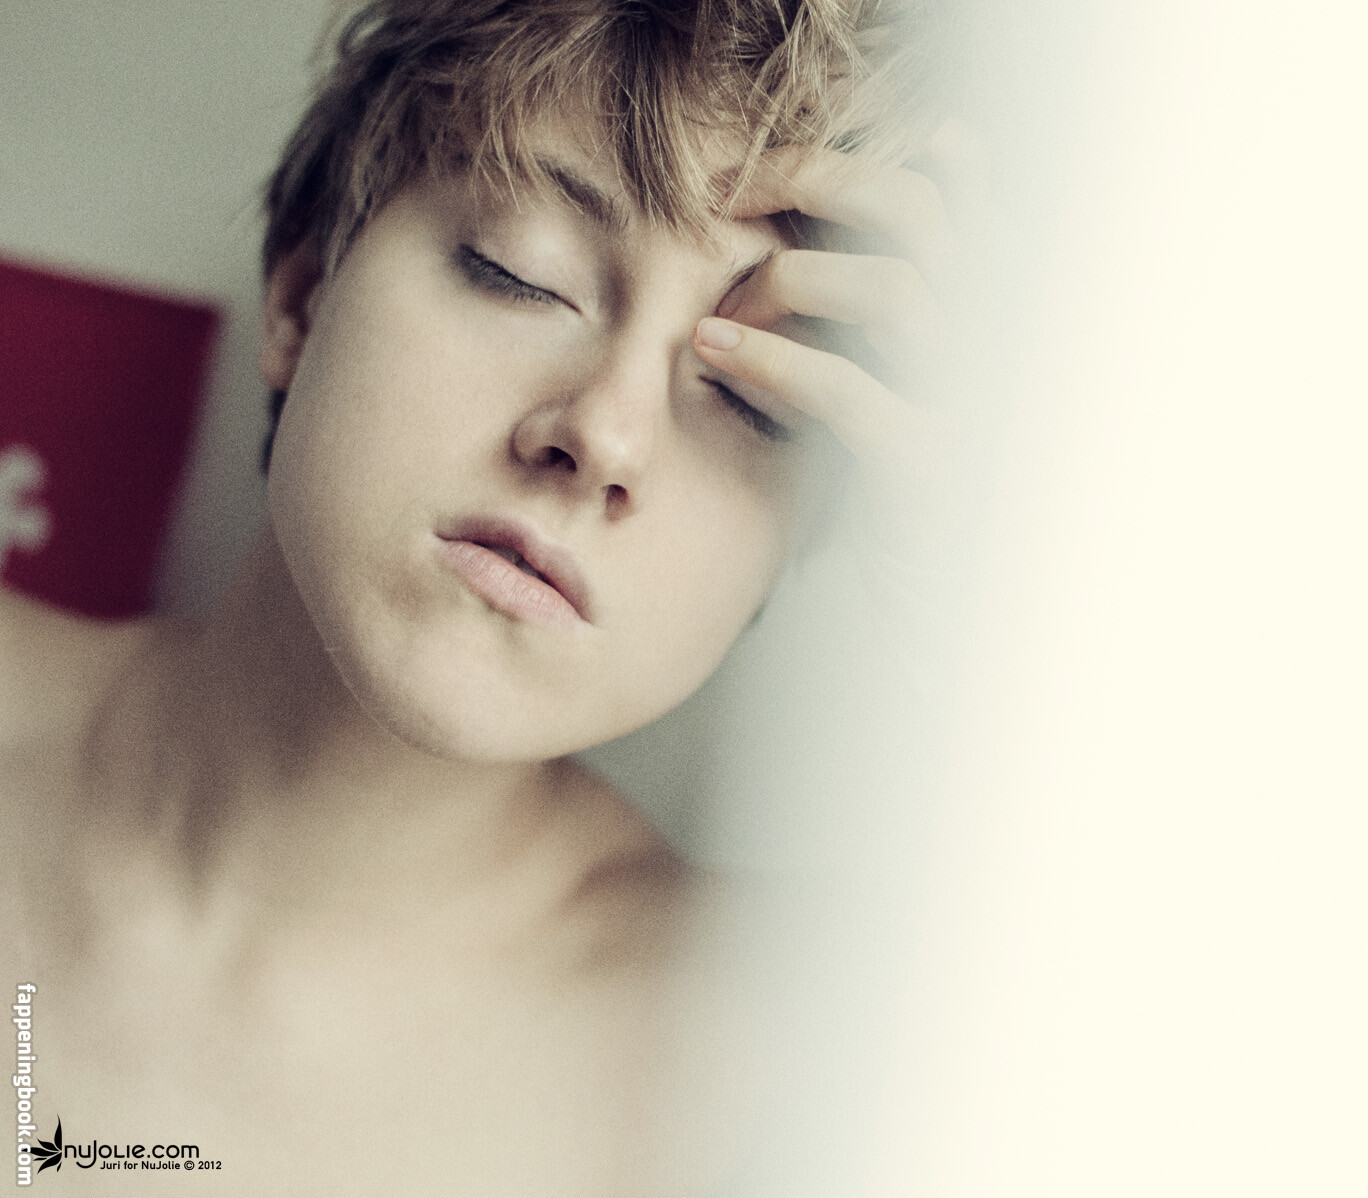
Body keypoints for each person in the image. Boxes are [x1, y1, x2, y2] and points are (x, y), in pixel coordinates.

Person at [1, 0, 974, 1191]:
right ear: (302, 294)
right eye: (523, 274)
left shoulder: (821, 1057)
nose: (605, 433)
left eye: (754, 399)